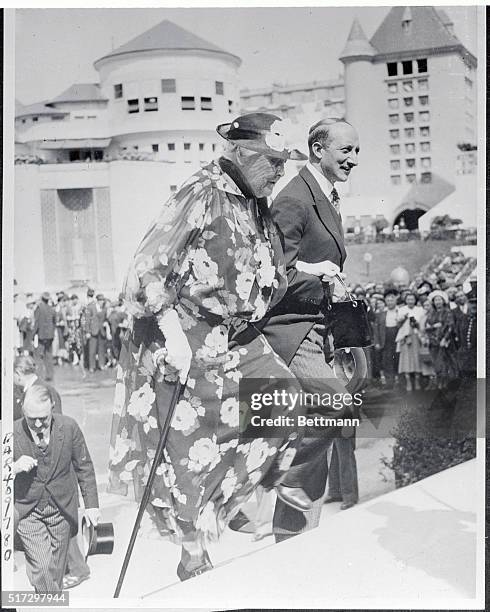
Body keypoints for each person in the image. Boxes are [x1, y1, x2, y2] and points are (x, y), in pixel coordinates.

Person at [108, 112, 310, 580]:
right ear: (241, 153)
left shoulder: (254, 199)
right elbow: (146, 267)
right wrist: (173, 335)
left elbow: (256, 270)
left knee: (286, 402)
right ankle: (192, 552)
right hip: (187, 335)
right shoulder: (202, 192)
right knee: (188, 452)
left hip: (237, 336)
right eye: (273, 162)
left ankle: (219, 510)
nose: (280, 172)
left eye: (284, 163)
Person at [259, 118, 360, 538]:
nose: (354, 160)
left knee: (316, 428)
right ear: (318, 150)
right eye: (346, 151)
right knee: (335, 404)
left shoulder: (326, 195)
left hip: (320, 329)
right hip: (291, 328)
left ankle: (297, 537)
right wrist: (322, 280)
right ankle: (277, 477)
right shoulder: (295, 198)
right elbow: (272, 273)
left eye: (356, 151)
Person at [13, 385, 100, 593]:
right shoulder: (11, 432)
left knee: (56, 574)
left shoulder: (69, 427)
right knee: (42, 569)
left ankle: (50, 602)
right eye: (31, 418)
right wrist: (13, 467)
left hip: (61, 510)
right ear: (24, 412)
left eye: (43, 417)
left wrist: (92, 506)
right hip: (29, 512)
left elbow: (84, 467)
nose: (38, 423)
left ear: (52, 408)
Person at [425, 290, 459, 389]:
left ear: (443, 301)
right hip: (434, 342)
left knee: (447, 361)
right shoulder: (431, 313)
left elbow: (450, 326)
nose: (438, 302)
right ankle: (440, 382)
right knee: (437, 362)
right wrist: (433, 330)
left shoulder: (448, 312)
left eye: (439, 300)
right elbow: (427, 327)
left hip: (445, 341)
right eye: (436, 300)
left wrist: (445, 339)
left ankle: (449, 383)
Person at [13, 355, 62, 421]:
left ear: (18, 373)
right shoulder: (21, 390)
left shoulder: (46, 390)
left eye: (12, 374)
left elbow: (57, 421)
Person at [395, 291, 424, 392]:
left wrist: (415, 323)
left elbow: (422, 324)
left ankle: (417, 381)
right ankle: (408, 382)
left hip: (416, 336)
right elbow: (398, 325)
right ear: (405, 300)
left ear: (415, 300)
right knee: (406, 359)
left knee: (417, 358)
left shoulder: (420, 310)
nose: (410, 301)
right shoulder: (401, 309)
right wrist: (403, 318)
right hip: (405, 337)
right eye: (408, 299)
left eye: (412, 299)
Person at [373, 289, 400, 389]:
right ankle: (389, 383)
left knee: (397, 360)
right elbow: (376, 330)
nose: (390, 302)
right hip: (386, 339)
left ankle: (398, 382)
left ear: (395, 301)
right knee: (387, 361)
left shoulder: (399, 312)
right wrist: (377, 342)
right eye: (388, 301)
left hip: (397, 338)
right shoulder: (381, 314)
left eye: (392, 300)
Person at [33, 292, 56, 381]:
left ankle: (39, 376)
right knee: (49, 356)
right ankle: (50, 375)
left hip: (41, 336)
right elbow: (54, 322)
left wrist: (33, 335)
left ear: (42, 299)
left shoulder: (39, 309)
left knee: (39, 356)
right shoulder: (52, 309)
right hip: (50, 336)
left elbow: (36, 323)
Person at [84, 293, 108, 372]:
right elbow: (87, 321)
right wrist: (87, 331)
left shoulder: (104, 309)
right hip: (93, 331)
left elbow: (105, 319)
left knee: (101, 349)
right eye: (100, 300)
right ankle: (92, 366)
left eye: (103, 300)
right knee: (92, 350)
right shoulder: (91, 307)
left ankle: (101, 364)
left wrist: (105, 323)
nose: (102, 302)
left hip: (101, 331)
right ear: (97, 301)